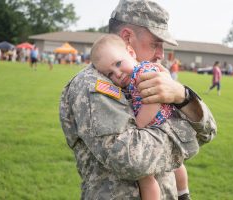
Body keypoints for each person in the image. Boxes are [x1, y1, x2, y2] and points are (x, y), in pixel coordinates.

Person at [59, 0, 217, 199]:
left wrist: (181, 95)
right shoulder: (92, 84)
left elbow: (208, 131)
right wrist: (187, 135)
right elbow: (131, 159)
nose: (161, 53)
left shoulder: (148, 76)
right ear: (127, 38)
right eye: (155, 44)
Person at [91, 34, 191, 200]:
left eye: (118, 63)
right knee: (175, 164)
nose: (117, 74)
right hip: (161, 123)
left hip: (155, 122)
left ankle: (182, 192)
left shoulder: (142, 73)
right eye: (110, 74)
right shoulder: (136, 75)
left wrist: (138, 125)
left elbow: (153, 101)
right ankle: (183, 193)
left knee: (147, 178)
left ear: (131, 52)